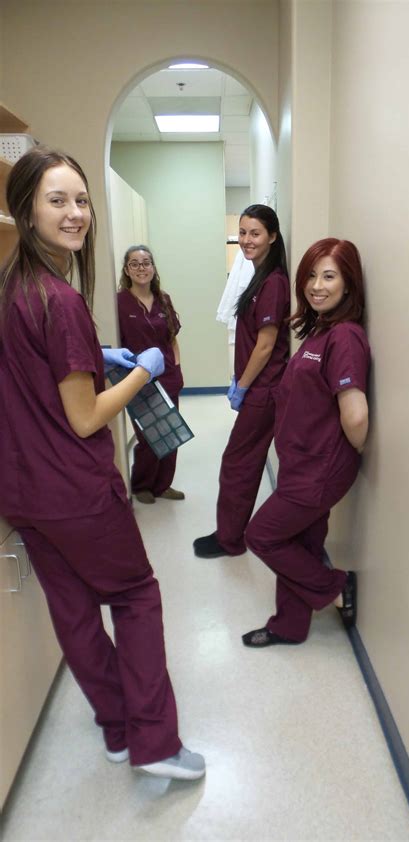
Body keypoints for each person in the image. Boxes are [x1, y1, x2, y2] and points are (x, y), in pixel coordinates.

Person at [0, 146, 205, 780]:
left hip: (26, 492)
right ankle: (157, 743)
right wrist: (141, 371)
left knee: (75, 611)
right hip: (77, 489)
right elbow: (86, 418)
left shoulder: (15, 287)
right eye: (56, 200)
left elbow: (40, 377)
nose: (75, 213)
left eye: (81, 200)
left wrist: (98, 353)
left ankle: (117, 728)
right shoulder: (57, 299)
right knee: (136, 596)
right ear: (25, 209)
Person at [241, 238, 370, 647]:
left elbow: (356, 414)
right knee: (302, 541)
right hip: (301, 461)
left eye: (329, 276)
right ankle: (289, 626)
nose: (317, 285)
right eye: (311, 275)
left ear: (349, 284)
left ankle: (336, 586)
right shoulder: (320, 330)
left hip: (318, 468)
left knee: (261, 535)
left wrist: (351, 453)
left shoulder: (345, 337)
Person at [193, 204, 290, 559]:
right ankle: (229, 534)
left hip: (263, 390)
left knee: (238, 463)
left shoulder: (274, 282)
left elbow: (266, 344)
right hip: (258, 387)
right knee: (240, 462)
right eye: (243, 232)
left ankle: (230, 540)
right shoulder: (257, 274)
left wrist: (244, 386)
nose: (247, 240)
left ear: (273, 237)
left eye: (256, 233)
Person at [117, 245, 184, 504]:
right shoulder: (119, 302)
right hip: (137, 379)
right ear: (127, 270)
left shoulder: (163, 299)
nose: (141, 268)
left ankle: (163, 484)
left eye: (146, 263)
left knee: (171, 432)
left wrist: (177, 370)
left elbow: (173, 339)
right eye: (135, 263)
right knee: (147, 435)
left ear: (153, 268)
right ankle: (142, 484)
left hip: (168, 376)